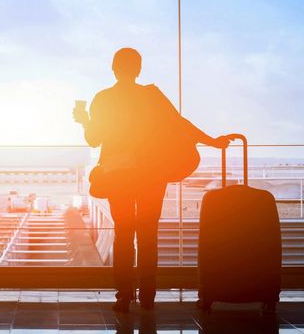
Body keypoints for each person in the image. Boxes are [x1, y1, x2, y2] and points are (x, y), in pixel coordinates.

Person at [73, 47, 229, 312]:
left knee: (123, 235)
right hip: (150, 175)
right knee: (148, 236)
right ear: (139, 69)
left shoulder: (103, 98)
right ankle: (147, 297)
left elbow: (93, 139)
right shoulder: (151, 96)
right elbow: (180, 124)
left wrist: (84, 120)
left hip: (118, 175)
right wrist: (212, 142)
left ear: (113, 68)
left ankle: (123, 297)